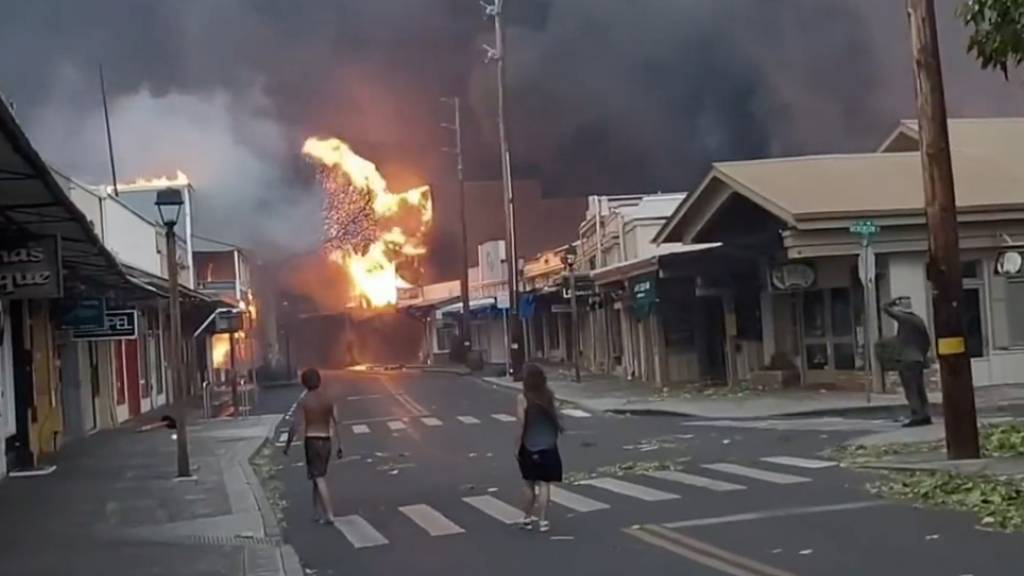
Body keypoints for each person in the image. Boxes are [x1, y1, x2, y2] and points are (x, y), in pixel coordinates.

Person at [284, 368, 343, 524]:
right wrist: (340, 445)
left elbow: (295, 425)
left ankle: (329, 513)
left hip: (312, 440)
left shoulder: (304, 401)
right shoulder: (328, 399)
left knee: (318, 477)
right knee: (316, 476)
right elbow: (336, 421)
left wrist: (287, 445)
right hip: (326, 441)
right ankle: (316, 512)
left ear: (304, 383)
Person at [515, 364, 564, 532]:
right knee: (544, 484)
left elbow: (522, 424)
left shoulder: (523, 398)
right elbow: (555, 417)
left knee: (528, 483)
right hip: (549, 445)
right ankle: (543, 521)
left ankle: (527, 518)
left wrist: (517, 444)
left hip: (529, 445)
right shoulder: (548, 395)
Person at [882, 296, 933, 427]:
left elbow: (885, 308)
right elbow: (927, 342)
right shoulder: (918, 320)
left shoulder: (905, 319)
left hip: (907, 360)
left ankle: (917, 416)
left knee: (911, 389)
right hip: (918, 359)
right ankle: (925, 414)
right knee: (920, 389)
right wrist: (921, 354)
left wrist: (892, 302)